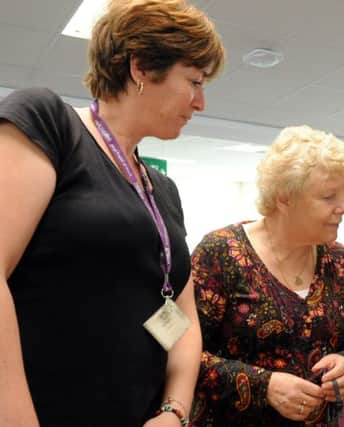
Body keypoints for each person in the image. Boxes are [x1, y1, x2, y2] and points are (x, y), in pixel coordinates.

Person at [0, 1, 224, 425]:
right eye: (194, 81)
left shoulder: (164, 191)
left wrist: (174, 411)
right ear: (140, 68)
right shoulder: (49, 125)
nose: (201, 102)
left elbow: (182, 315)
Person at [189, 125, 344, 426]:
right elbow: (183, 356)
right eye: (329, 197)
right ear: (285, 199)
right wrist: (264, 386)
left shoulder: (336, 260)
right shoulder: (221, 254)